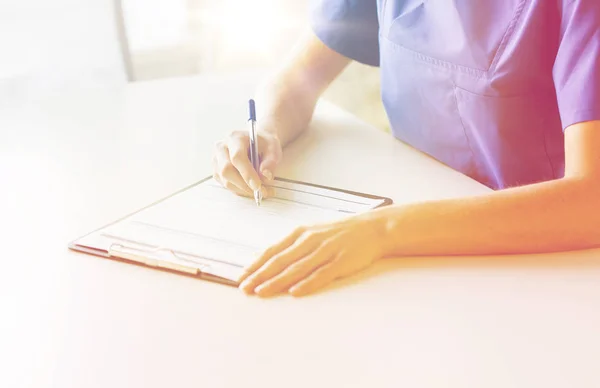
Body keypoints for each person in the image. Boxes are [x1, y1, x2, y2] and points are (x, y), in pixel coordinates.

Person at [212, 0, 600, 297]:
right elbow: (298, 78)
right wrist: (264, 128)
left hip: (543, 265)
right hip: (413, 249)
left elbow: (590, 201)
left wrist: (383, 231)